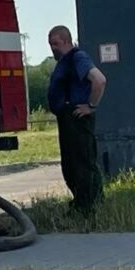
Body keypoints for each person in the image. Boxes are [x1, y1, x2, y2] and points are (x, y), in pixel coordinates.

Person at [47, 25, 107, 214]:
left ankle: (89, 205)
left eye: (55, 43)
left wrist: (91, 106)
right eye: (50, 44)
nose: (52, 48)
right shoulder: (65, 61)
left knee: (82, 161)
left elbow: (100, 80)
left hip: (77, 117)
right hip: (67, 117)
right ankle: (81, 202)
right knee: (71, 164)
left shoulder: (77, 57)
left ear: (66, 41)